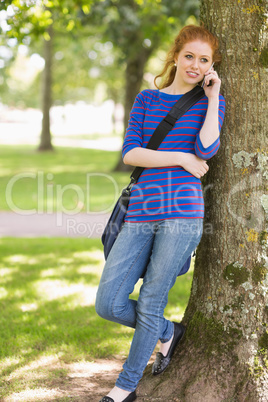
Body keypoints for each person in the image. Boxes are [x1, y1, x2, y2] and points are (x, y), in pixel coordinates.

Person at [96, 24, 225, 402]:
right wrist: (180, 157)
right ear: (175, 56)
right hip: (140, 212)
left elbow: (208, 148)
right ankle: (167, 333)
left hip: (183, 213)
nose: (196, 65)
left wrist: (214, 97)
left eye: (205, 60)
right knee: (109, 303)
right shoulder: (147, 100)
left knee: (151, 299)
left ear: (212, 65)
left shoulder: (209, 101)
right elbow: (131, 153)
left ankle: (125, 387)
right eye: (190, 57)